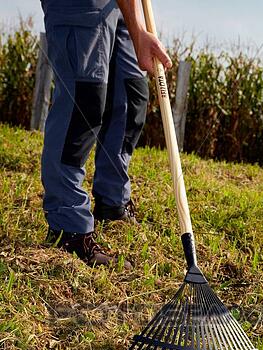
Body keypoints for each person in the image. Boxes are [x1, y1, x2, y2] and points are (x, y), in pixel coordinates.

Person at [40, 0, 172, 268]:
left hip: (118, 5)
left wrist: (138, 27)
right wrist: (139, 31)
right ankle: (68, 228)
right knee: (83, 102)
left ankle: (113, 202)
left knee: (131, 93)